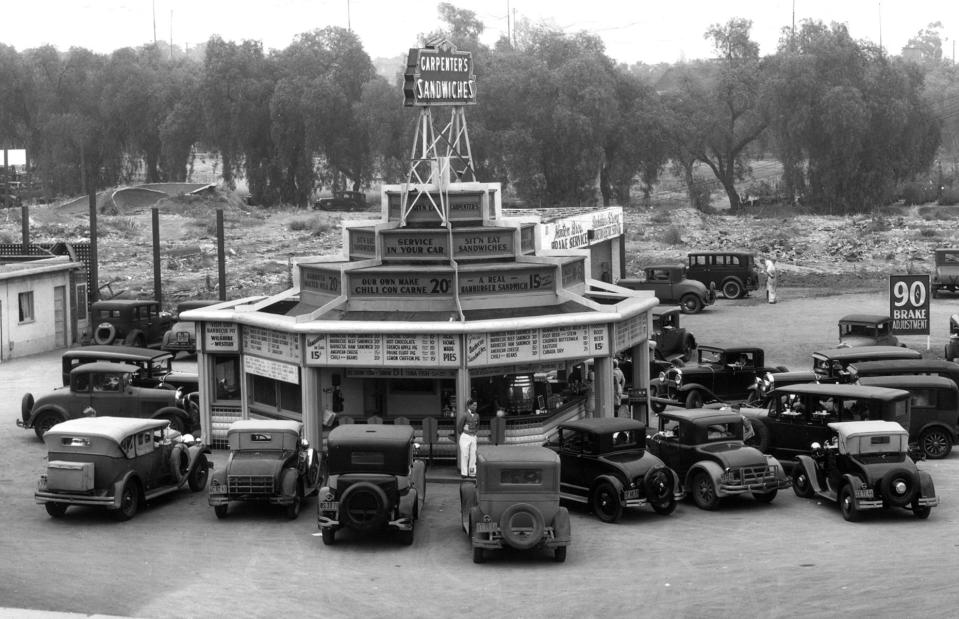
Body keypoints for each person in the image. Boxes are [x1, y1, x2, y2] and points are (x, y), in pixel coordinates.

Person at [456, 399, 480, 478]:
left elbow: (478, 426)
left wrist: (475, 433)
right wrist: (464, 433)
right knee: (465, 455)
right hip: (465, 436)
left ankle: (472, 472)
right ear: (469, 406)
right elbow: (459, 427)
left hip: (473, 436)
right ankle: (464, 473)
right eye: (473, 405)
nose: (475, 407)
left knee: (473, 455)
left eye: (476, 405)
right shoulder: (465, 415)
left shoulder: (477, 415)